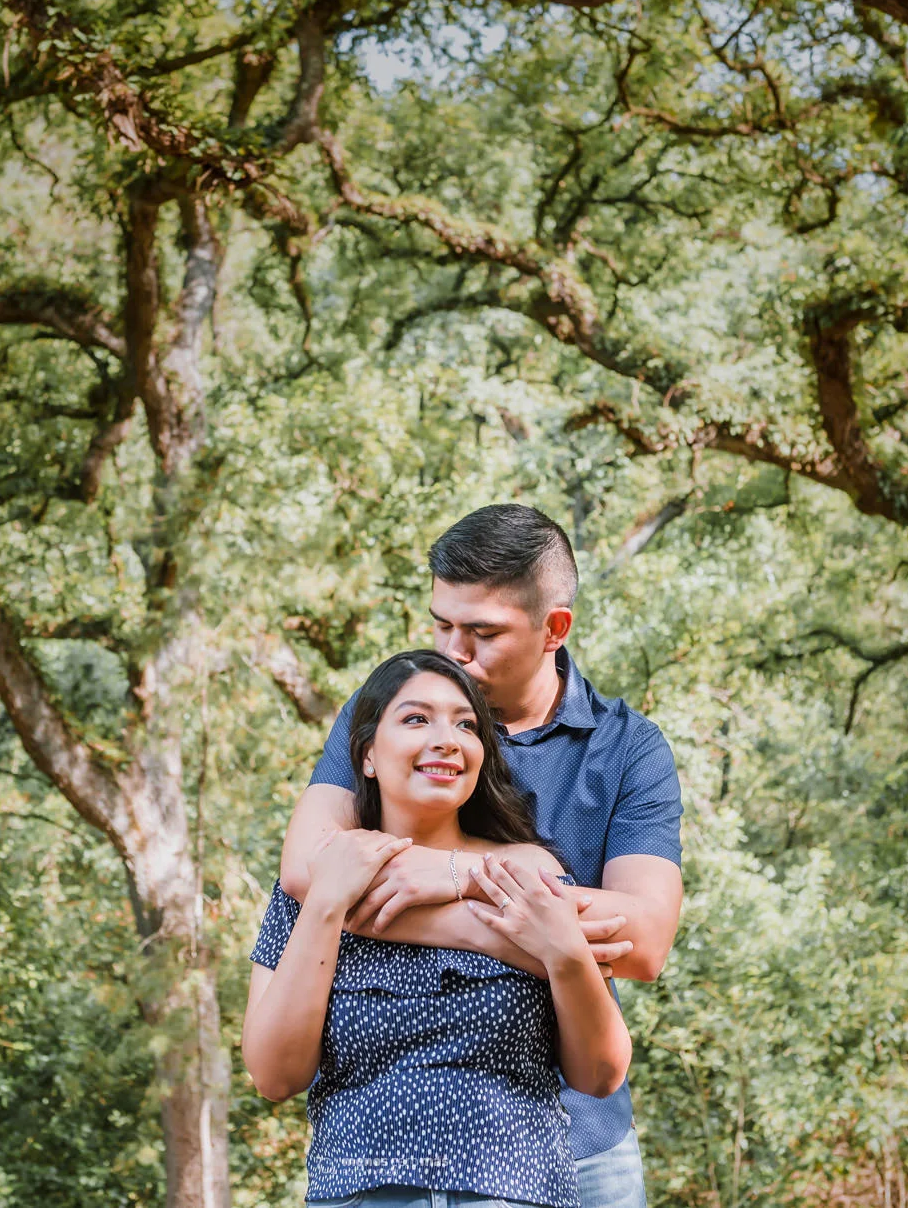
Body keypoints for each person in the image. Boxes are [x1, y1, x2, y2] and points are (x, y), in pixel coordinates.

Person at [280, 505, 684, 1208]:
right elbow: (307, 871)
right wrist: (511, 921)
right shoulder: (386, 713)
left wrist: (446, 875)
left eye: (482, 632)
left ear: (554, 628)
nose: (452, 652)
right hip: (391, 1152)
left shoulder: (629, 749)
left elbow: (644, 941)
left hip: (585, 1136)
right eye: (441, 624)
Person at [243, 649, 630, 1208]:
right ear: (367, 756)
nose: (447, 739)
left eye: (466, 724)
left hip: (514, 1192)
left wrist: (565, 954)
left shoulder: (528, 873)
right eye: (416, 718)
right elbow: (273, 1076)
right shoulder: (314, 879)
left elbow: (601, 1073)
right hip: (361, 1191)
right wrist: (328, 904)